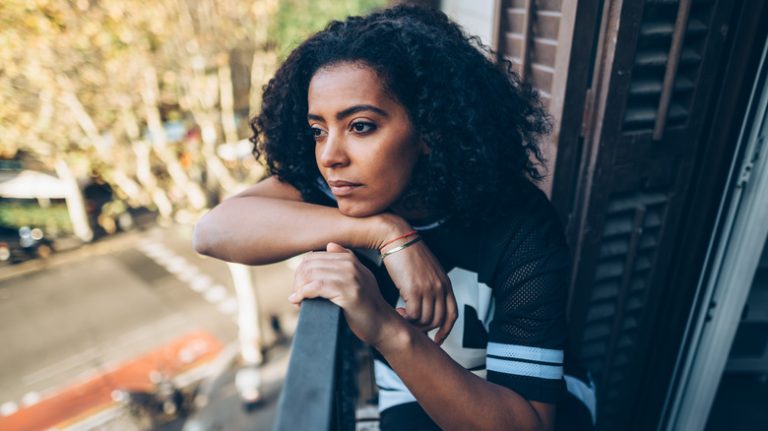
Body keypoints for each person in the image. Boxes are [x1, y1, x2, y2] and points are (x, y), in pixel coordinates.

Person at [194, 5, 596, 430]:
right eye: (318, 130)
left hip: (525, 397)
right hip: (407, 383)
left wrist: (388, 329)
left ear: (430, 129)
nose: (331, 156)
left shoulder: (521, 224)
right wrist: (384, 232)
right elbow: (212, 231)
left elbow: (526, 423)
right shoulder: (344, 192)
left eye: (361, 126)